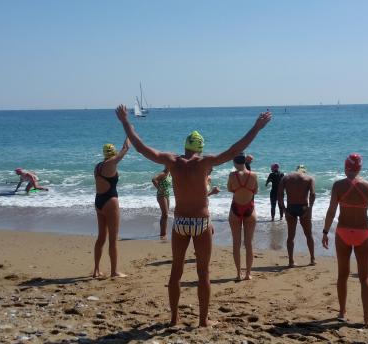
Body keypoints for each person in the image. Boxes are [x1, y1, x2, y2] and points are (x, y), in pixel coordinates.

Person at [115, 104, 271, 327]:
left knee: (176, 271)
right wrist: (256, 128)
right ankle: (203, 320)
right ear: (200, 148)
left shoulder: (172, 161)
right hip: (201, 222)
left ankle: (174, 318)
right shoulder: (204, 162)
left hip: (180, 221)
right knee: (203, 272)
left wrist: (125, 122)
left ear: (185, 146)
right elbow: (234, 150)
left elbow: (141, 148)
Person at [322, 154, 368, 324]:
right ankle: (366, 318)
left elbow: (331, 211)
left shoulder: (338, 185)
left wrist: (325, 231)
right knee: (365, 277)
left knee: (342, 275)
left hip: (343, 232)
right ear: (360, 168)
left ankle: (342, 313)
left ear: (345, 167)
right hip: (363, 232)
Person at [92, 138, 130, 278]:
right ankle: (114, 271)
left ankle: (96, 270)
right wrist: (129, 134)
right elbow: (125, 149)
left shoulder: (98, 166)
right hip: (110, 201)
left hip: (98, 201)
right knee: (113, 238)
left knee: (101, 236)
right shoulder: (112, 163)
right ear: (113, 153)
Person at [278, 165, 317, 267]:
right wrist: (310, 208)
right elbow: (313, 194)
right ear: (304, 171)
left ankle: (291, 261)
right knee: (309, 235)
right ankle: (312, 259)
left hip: (291, 208)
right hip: (303, 208)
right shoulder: (309, 178)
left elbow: (280, 194)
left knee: (291, 236)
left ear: (296, 170)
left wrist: (284, 209)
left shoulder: (286, 177)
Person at [227, 153, 258, 281]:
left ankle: (238, 274)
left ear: (235, 162)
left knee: (236, 243)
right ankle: (248, 274)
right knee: (248, 243)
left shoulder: (232, 175)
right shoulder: (253, 175)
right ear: (245, 161)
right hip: (249, 209)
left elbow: (230, 189)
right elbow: (255, 191)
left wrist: (239, 188)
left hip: (235, 208)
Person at [152, 167, 172, 241]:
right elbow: (154, 179)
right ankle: (162, 234)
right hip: (161, 195)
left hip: (167, 194)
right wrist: (159, 189)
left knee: (165, 215)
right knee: (165, 214)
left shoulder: (169, 174)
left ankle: (164, 232)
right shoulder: (163, 173)